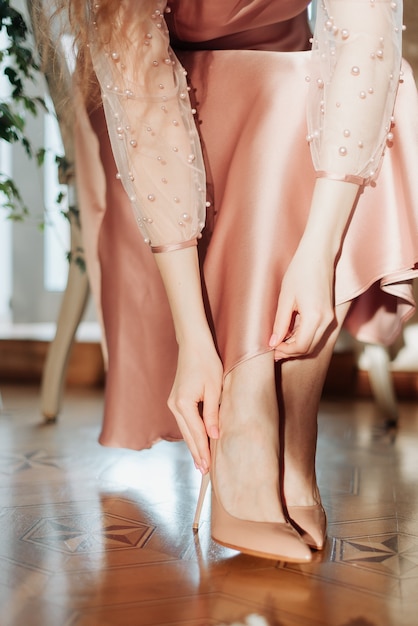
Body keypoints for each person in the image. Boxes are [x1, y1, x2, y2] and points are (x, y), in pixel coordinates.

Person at [63, 0, 418, 562]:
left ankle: (293, 436)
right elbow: (147, 109)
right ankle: (248, 419)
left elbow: (365, 40)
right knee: (284, 96)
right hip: (163, 118)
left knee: (380, 87)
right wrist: (195, 341)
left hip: (302, 89)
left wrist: (317, 256)